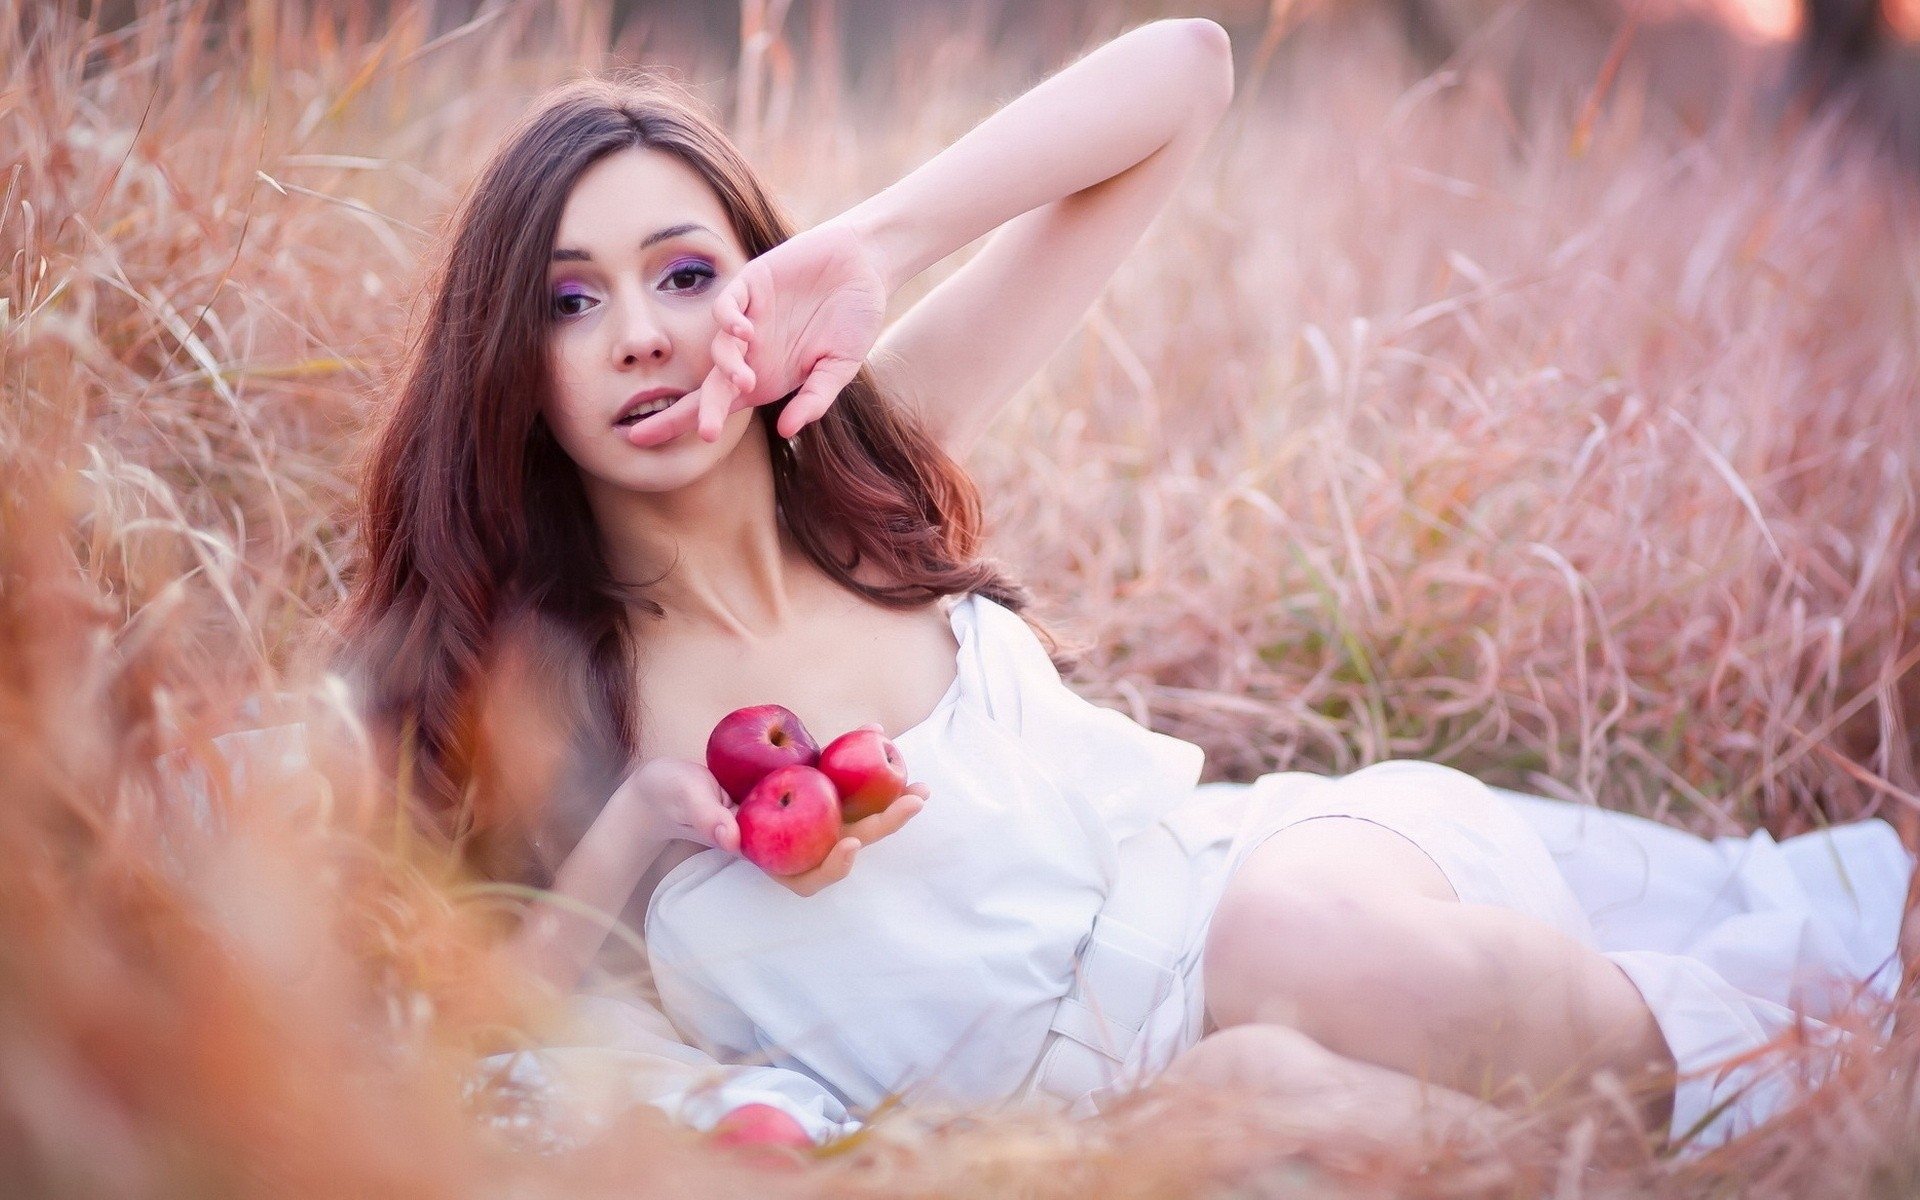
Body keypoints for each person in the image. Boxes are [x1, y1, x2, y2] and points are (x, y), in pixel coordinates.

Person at [325, 17, 1916, 1164]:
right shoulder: (555, 696)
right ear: (513, 368)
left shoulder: (857, 480)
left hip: (1254, 895)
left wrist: (883, 235)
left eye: (684, 272)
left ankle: (1811, 1082)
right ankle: (1764, 1143)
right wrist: (630, 839)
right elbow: (451, 1046)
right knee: (1259, 1112)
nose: (645, 334)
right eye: (570, 299)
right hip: (1113, 1121)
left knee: (1318, 957)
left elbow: (1189, 71)